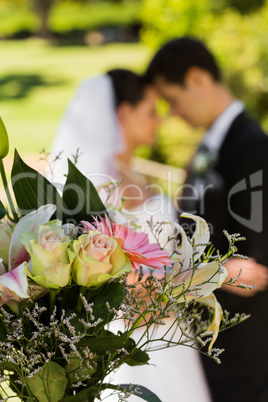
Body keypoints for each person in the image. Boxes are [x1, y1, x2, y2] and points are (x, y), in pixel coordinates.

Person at [51, 68, 211, 402]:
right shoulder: (94, 189)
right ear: (124, 113)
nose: (159, 121)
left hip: (172, 335)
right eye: (151, 112)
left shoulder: (135, 173)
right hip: (128, 340)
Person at [146, 36, 268, 402]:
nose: (173, 113)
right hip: (207, 338)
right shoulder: (208, 147)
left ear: (197, 79)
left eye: (172, 100)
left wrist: (183, 279)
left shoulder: (253, 147)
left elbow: (251, 263)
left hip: (241, 345)